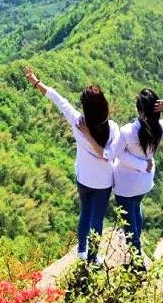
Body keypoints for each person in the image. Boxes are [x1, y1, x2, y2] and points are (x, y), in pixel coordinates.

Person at [24, 66, 148, 262]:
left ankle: (82, 250)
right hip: (103, 183)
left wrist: (37, 83)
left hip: (83, 178)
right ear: (104, 105)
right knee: (96, 219)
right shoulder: (113, 128)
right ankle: (92, 257)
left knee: (85, 213)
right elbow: (109, 156)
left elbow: (59, 100)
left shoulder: (78, 122)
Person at [79, 88, 163, 258]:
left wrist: (88, 135)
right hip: (144, 182)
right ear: (158, 109)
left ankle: (136, 259)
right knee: (137, 208)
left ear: (139, 110)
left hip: (125, 186)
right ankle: (137, 245)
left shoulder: (127, 131)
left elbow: (109, 154)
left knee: (129, 224)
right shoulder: (160, 128)